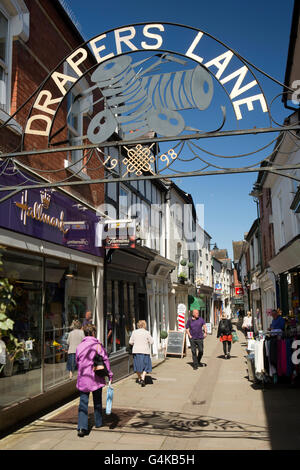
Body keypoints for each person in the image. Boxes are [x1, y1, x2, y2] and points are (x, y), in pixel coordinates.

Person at [76, 324, 113, 437]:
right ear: (93, 333)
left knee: (83, 402)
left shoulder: (80, 346)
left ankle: (82, 428)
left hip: (83, 378)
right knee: (97, 400)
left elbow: (77, 362)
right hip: (96, 378)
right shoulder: (98, 346)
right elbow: (105, 361)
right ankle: (98, 422)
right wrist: (110, 374)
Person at [129, 320, 154, 387]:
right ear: (145, 325)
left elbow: (130, 342)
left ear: (138, 325)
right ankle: (143, 378)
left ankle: (140, 378)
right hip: (145, 351)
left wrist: (136, 342)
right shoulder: (147, 332)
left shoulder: (134, 332)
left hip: (136, 351)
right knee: (146, 366)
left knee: (137, 366)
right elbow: (152, 342)